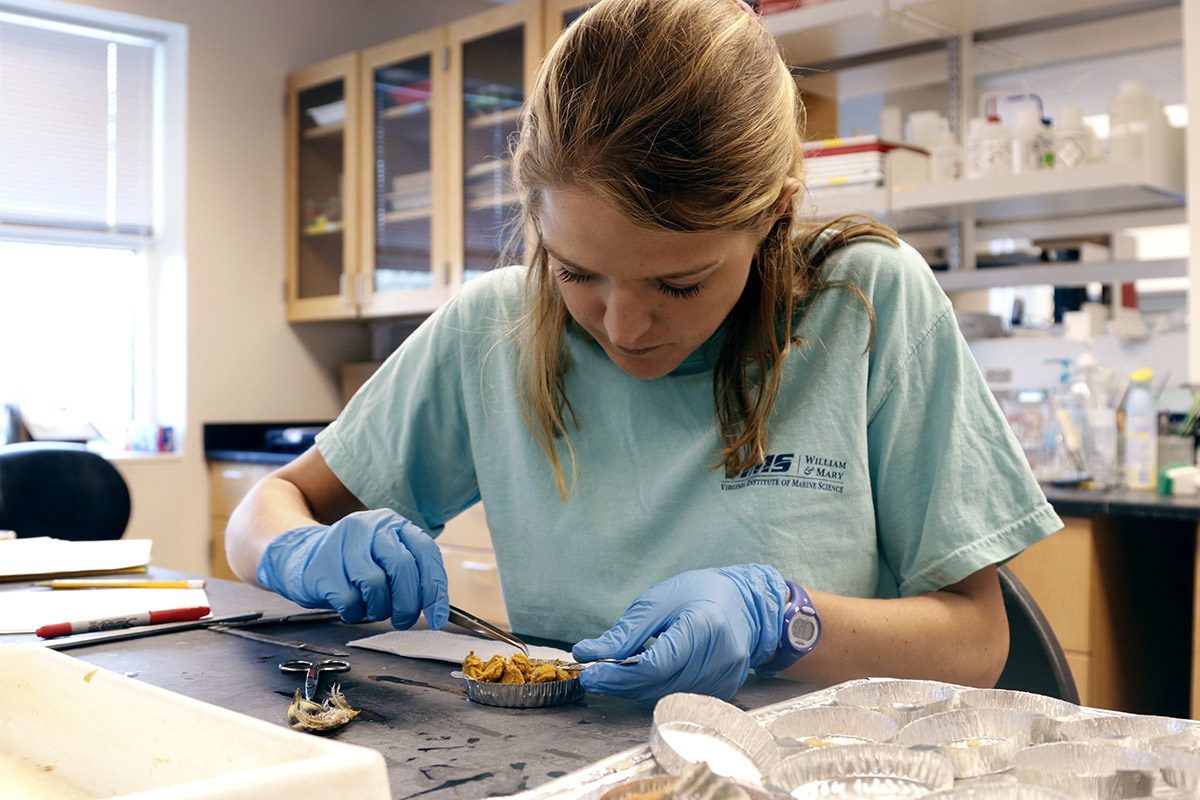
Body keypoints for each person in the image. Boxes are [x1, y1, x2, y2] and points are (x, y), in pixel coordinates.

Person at [226, 0, 1062, 704]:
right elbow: (263, 511)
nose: (623, 326)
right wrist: (297, 549)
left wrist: (780, 617)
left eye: (681, 284)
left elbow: (977, 641)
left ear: (775, 214)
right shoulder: (493, 328)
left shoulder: (866, 307)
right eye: (578, 272)